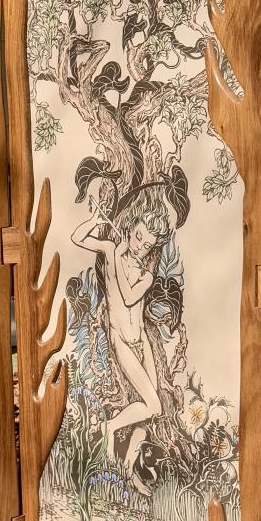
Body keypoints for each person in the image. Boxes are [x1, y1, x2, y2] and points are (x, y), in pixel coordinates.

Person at [71, 198, 171, 494]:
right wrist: (95, 220)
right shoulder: (109, 248)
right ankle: (108, 428)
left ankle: (129, 468)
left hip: (141, 341)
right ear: (131, 229)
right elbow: (76, 237)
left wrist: (120, 256)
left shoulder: (146, 274)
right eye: (138, 237)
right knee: (152, 405)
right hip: (121, 341)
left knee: (152, 411)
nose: (140, 246)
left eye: (147, 245)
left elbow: (128, 297)